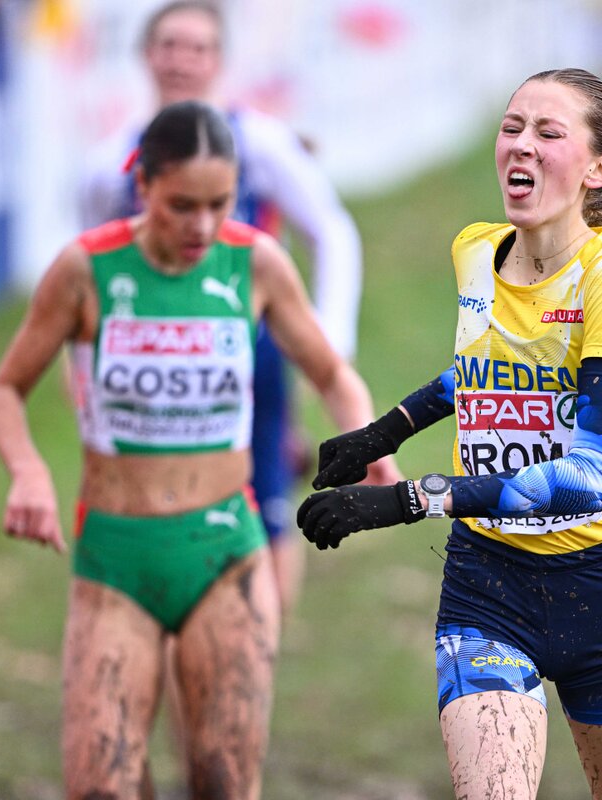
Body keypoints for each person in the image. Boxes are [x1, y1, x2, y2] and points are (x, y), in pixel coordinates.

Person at [0, 101, 397, 800]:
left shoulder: (255, 263)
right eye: (182, 205)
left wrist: (368, 442)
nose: (203, 226)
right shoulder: (86, 269)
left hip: (224, 555)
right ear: (142, 185)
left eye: (220, 203)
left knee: (223, 783)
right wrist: (26, 472)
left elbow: (331, 372)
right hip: (114, 560)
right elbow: (4, 389)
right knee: (98, 787)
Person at [297, 68, 602, 800]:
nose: (521, 144)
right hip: (486, 588)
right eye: (511, 127)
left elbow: (590, 478)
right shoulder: (475, 251)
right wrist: (384, 432)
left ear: (599, 169)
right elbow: (482, 371)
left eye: (548, 132)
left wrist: (408, 499)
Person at [81, 0, 364, 616]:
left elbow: (332, 231)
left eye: (199, 48)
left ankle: (258, 647)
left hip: (251, 360)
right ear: (145, 55)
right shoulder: (112, 165)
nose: (182, 61)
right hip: (150, 377)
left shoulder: (258, 142)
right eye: (170, 45)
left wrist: (329, 343)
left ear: (220, 60)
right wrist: (83, 366)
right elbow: (87, 272)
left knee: (265, 506)